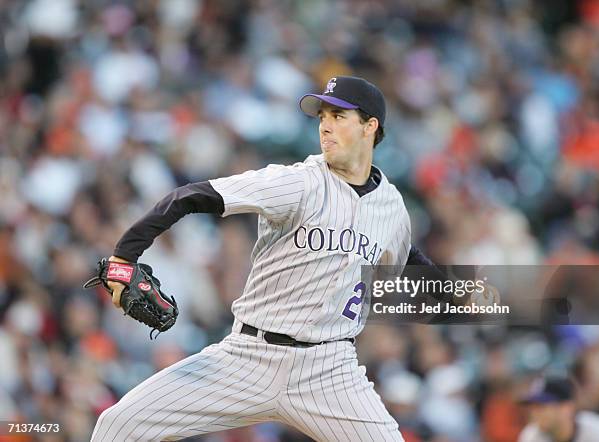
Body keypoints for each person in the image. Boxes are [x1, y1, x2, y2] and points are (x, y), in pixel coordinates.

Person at [90, 75, 413, 441]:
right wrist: (124, 255)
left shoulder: (392, 208)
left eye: (339, 116)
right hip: (248, 357)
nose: (325, 125)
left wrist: (470, 298)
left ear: (370, 127)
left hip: (330, 370)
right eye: (322, 115)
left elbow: (408, 263)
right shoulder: (297, 183)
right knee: (118, 425)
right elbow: (190, 196)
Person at [519, 376, 599, 442]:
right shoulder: (531, 436)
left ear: (566, 408)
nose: (534, 413)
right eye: (532, 407)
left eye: (541, 407)